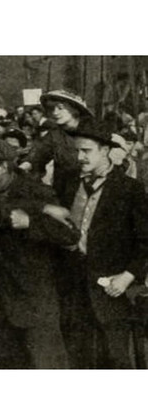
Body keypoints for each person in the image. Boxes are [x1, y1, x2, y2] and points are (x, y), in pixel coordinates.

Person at [0, 139, 77, 369]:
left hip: (34, 299)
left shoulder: (37, 190)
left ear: (3, 166)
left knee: (47, 365)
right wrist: (39, 209)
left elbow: (69, 234)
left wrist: (31, 222)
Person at [60, 121, 148, 369]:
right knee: (79, 356)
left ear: (105, 150)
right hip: (74, 287)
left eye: (86, 151)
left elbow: (145, 240)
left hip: (112, 289)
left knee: (116, 357)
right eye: (77, 151)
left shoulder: (129, 189)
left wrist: (127, 276)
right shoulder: (69, 182)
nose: (80, 157)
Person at [20, 90, 93, 203]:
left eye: (60, 108)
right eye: (52, 109)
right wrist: (20, 169)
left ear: (74, 109)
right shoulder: (55, 135)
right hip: (64, 193)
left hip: (91, 191)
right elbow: (38, 154)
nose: (55, 112)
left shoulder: (93, 132)